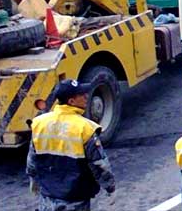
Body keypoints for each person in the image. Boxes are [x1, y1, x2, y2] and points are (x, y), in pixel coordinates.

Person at [27, 79, 116, 211]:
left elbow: (32, 160)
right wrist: (110, 187)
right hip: (75, 197)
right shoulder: (84, 128)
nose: (86, 96)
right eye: (81, 95)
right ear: (71, 102)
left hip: (48, 196)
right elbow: (99, 164)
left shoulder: (39, 123)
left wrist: (33, 179)